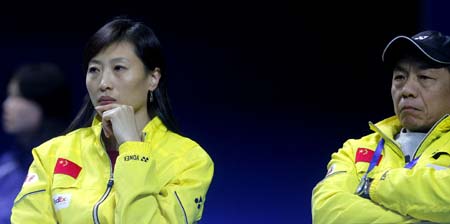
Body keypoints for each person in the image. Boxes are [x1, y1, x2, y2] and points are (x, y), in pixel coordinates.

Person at [10, 17, 214, 224]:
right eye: (94, 70)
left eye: (119, 68)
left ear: (153, 78)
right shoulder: (50, 155)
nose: (103, 83)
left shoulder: (189, 160)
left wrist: (132, 149)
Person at [312, 30, 450, 223]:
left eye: (424, 77)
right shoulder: (354, 150)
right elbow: (327, 212)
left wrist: (373, 187)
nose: (407, 91)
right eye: (400, 77)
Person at [0, 62, 72, 223]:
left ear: (43, 104)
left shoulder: (69, 164)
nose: (6, 105)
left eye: (17, 97)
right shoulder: (6, 165)